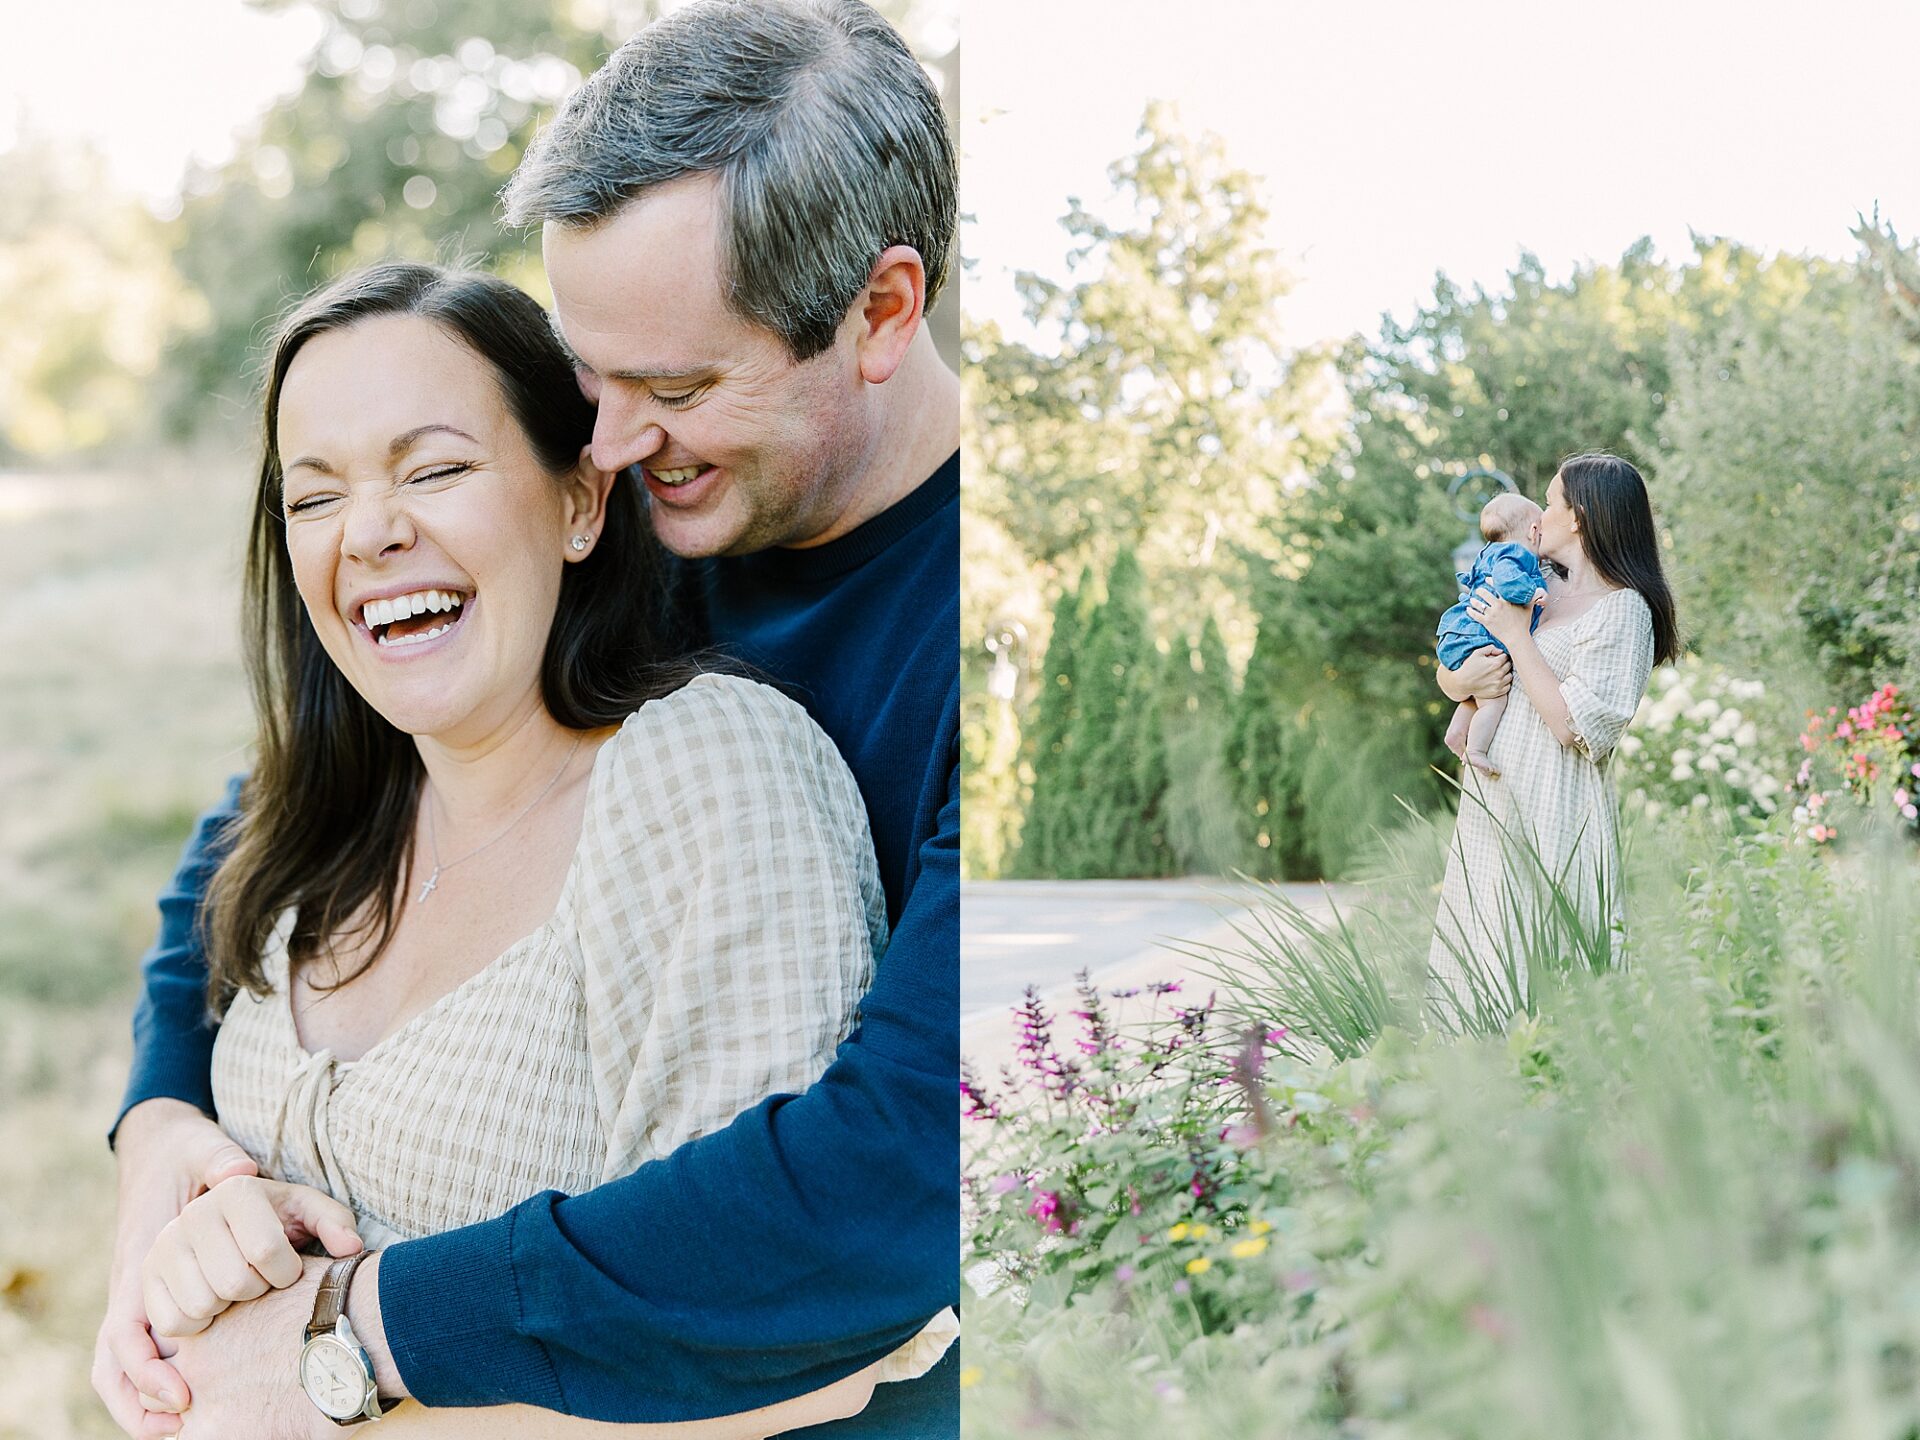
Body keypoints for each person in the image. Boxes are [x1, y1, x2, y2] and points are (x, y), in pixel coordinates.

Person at [93, 1, 961, 1436]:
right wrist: (158, 1132)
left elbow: (887, 1184)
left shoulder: (967, 642)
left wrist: (358, 1338)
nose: (608, 446)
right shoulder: (638, 511)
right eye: (587, 377)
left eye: (673, 387)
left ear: (880, 314)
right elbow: (280, 822)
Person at [1427, 453, 1680, 1022]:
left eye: (1550, 502)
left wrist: (1518, 638)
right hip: (1494, 804)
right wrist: (1457, 683)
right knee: (1480, 972)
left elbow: (1573, 727)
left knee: (1548, 983)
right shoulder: (1535, 585)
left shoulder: (1624, 611)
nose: (1539, 514)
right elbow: (1460, 656)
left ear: (1580, 518)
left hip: (1554, 810)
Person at [1438, 492, 1547, 778]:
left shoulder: (1487, 552)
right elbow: (1508, 581)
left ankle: (1457, 730)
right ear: (1534, 531)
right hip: (1481, 634)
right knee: (1494, 699)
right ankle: (1475, 750)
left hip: (1460, 632)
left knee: (1479, 690)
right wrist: (1532, 593)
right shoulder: (1517, 554)